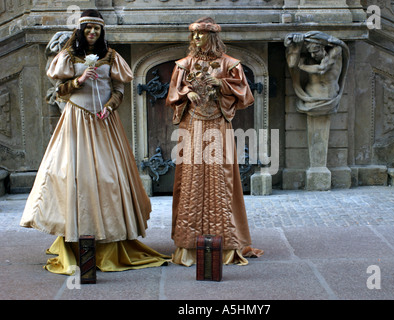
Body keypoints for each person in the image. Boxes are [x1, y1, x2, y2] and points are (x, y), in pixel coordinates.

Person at [20, 9, 169, 274]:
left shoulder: (111, 56)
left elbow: (119, 90)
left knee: (110, 177)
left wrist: (110, 108)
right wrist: (79, 80)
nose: (92, 33)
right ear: (80, 30)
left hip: (103, 122)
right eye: (87, 28)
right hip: (76, 121)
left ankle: (112, 235)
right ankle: (75, 235)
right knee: (71, 175)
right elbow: (59, 90)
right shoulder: (67, 56)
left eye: (96, 29)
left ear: (101, 32)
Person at [166, 17, 263, 266]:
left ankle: (226, 244)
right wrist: (187, 92)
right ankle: (189, 246)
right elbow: (172, 93)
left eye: (201, 34)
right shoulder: (184, 64)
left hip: (218, 126)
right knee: (191, 178)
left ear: (212, 36)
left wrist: (220, 83)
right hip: (193, 126)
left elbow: (245, 94)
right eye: (194, 35)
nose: (196, 39)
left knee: (221, 178)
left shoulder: (230, 64)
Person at [284, 31, 349, 116]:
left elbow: (322, 69)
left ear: (323, 47)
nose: (313, 55)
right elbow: (292, 65)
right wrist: (297, 47)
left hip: (330, 99)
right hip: (310, 98)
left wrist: (302, 66)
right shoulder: (308, 55)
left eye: (315, 52)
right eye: (310, 53)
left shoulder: (336, 51)